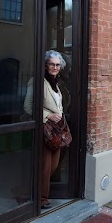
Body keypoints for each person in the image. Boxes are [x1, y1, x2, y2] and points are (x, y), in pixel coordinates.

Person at [23, 50, 67, 209]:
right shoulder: (37, 82)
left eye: (57, 65)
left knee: (54, 165)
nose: (55, 67)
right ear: (45, 65)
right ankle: (41, 198)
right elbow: (28, 107)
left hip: (56, 131)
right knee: (45, 167)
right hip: (44, 130)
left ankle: (33, 191)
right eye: (52, 64)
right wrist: (48, 115)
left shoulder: (55, 83)